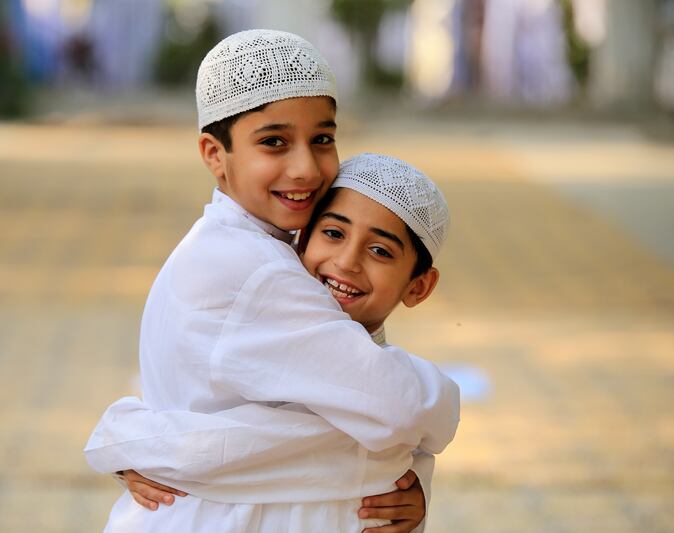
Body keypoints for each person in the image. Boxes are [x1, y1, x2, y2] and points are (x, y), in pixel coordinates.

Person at [85, 29, 460, 532]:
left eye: (322, 139)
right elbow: (401, 409)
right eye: (274, 142)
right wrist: (406, 451)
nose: (305, 167)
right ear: (215, 154)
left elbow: (280, 436)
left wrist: (134, 438)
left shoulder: (264, 246)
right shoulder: (253, 270)